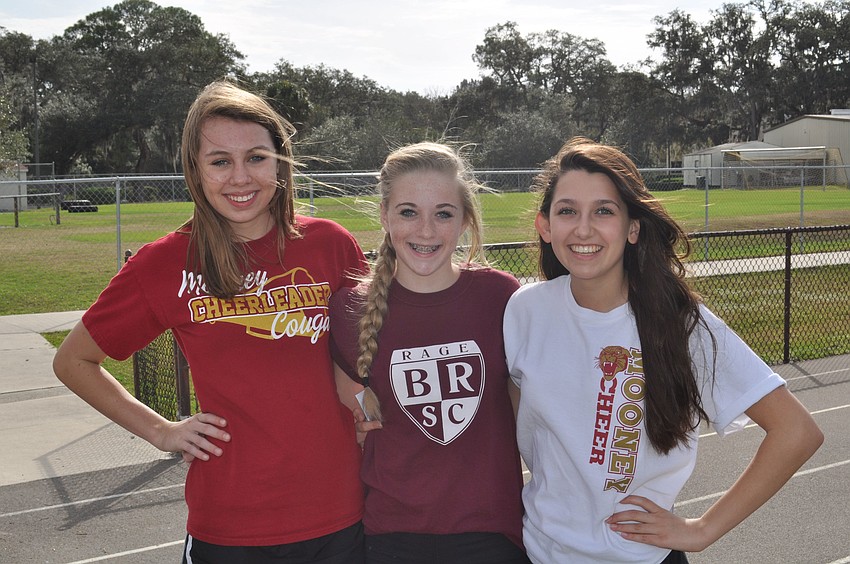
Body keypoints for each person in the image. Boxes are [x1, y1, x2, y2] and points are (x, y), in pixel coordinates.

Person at [53, 80, 367, 563]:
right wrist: (162, 431)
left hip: (341, 514)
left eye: (256, 158)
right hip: (231, 525)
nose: (240, 178)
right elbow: (74, 360)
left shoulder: (329, 244)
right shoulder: (164, 264)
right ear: (196, 172)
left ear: (280, 162)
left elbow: (361, 355)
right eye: (220, 161)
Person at [503, 137, 824, 564]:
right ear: (546, 226)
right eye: (567, 211)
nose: (583, 228)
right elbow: (521, 421)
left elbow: (797, 432)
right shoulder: (526, 310)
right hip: (540, 552)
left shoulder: (680, 324)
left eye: (603, 211)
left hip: (640, 557)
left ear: (633, 228)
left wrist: (702, 530)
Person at [329, 142, 530, 563]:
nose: (425, 231)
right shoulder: (351, 309)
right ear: (384, 216)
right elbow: (354, 426)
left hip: (491, 530)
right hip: (392, 534)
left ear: (465, 221)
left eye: (443, 213)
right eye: (408, 212)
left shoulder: (501, 296)